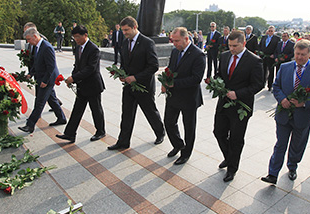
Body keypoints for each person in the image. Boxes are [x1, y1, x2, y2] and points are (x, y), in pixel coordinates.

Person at [261, 38, 310, 184]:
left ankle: (292, 166)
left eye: (303, 54)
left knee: (297, 144)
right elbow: (276, 86)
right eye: (297, 54)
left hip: (303, 115)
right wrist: (282, 99)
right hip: (284, 113)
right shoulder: (285, 67)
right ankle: (272, 173)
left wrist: (304, 103)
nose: (299, 57)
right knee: (280, 144)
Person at [214, 29, 264, 182]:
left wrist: (238, 93)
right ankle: (229, 158)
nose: (231, 49)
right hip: (223, 103)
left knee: (236, 138)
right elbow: (219, 74)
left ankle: (232, 168)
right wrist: (216, 83)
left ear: (244, 43)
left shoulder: (254, 61)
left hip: (241, 106)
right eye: (229, 45)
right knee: (218, 132)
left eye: (235, 46)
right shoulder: (224, 56)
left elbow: (258, 84)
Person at [108, 15, 164, 151]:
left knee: (150, 112)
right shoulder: (125, 42)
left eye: (127, 30)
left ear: (135, 27)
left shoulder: (147, 42)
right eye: (123, 30)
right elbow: (125, 63)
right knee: (126, 114)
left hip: (143, 86)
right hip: (128, 87)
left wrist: (136, 78)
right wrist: (121, 73)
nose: (124, 33)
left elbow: (153, 66)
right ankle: (123, 142)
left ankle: (160, 132)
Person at [162, 26, 206, 164]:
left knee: (189, 127)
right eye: (172, 41)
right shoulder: (175, 52)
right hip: (173, 96)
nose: (174, 44)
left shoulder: (198, 54)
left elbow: (196, 78)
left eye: (176, 41)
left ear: (186, 39)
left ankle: (186, 153)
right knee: (169, 122)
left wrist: (174, 83)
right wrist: (165, 81)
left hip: (189, 98)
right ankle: (178, 145)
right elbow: (170, 69)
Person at [19, 22, 67, 134]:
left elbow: (51, 67)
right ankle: (61, 118)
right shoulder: (37, 47)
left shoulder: (47, 47)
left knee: (40, 102)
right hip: (41, 76)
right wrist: (31, 73)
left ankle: (30, 125)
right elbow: (37, 63)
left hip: (48, 78)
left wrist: (45, 81)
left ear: (35, 36)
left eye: (29, 39)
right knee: (52, 99)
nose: (28, 42)